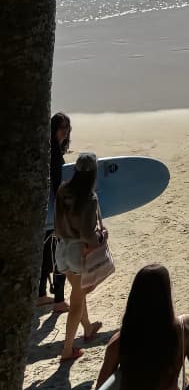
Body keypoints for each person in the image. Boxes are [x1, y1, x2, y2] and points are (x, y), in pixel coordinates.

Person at [54, 152, 107, 362]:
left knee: (79, 293)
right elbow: (87, 234)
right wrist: (101, 238)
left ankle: (88, 328)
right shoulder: (89, 198)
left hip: (62, 249)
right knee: (76, 301)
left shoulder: (63, 190)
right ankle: (67, 350)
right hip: (78, 252)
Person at [37, 112, 70, 310]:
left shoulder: (49, 150)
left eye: (67, 128)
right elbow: (58, 185)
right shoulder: (54, 154)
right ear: (53, 129)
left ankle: (41, 294)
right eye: (61, 128)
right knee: (60, 255)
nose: (65, 132)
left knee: (45, 253)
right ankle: (59, 300)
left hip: (47, 212)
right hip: (55, 212)